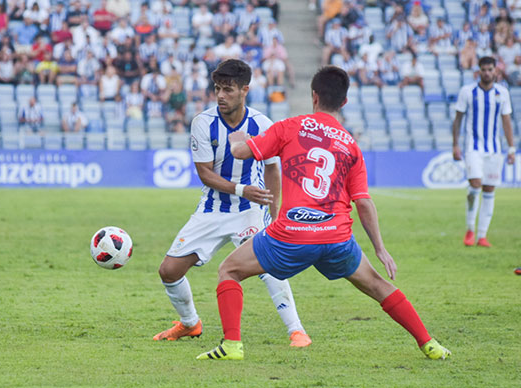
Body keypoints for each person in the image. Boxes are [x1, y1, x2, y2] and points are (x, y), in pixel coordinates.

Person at [196, 66, 451, 361]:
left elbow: (242, 152)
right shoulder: (351, 145)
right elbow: (364, 203)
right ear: (344, 102)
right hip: (336, 237)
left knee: (229, 270)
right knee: (379, 285)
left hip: (291, 234)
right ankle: (429, 343)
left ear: (313, 96)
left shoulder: (290, 127)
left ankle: (232, 345)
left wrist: (236, 134)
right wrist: (380, 249)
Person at [153, 59, 311, 348]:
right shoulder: (203, 122)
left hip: (249, 212)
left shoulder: (262, 124)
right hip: (212, 209)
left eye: (228, 89)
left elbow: (274, 168)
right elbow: (204, 174)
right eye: (217, 89)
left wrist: (274, 215)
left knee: (268, 266)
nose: (221, 95)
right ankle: (190, 324)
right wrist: (242, 189)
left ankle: (297, 331)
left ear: (244, 90)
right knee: (169, 271)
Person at [452, 56, 516, 247]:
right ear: (478, 71)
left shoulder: (502, 93)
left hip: (494, 150)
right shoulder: (467, 92)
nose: (487, 73)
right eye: (484, 69)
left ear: (495, 71)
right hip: (473, 147)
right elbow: (458, 119)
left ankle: (482, 235)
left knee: (489, 188)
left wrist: (511, 148)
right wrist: (456, 144)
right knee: (476, 184)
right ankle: (470, 229)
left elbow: (506, 122)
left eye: (490, 69)